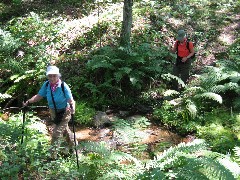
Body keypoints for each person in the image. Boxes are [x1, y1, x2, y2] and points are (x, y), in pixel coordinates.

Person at [23, 65, 77, 158]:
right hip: (53, 112)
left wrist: (73, 109)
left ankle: (52, 157)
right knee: (65, 131)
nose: (52, 78)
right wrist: (28, 102)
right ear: (47, 76)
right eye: (50, 76)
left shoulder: (64, 86)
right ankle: (74, 147)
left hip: (65, 112)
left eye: (54, 76)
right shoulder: (47, 85)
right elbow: (39, 96)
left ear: (58, 76)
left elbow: (71, 101)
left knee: (56, 133)